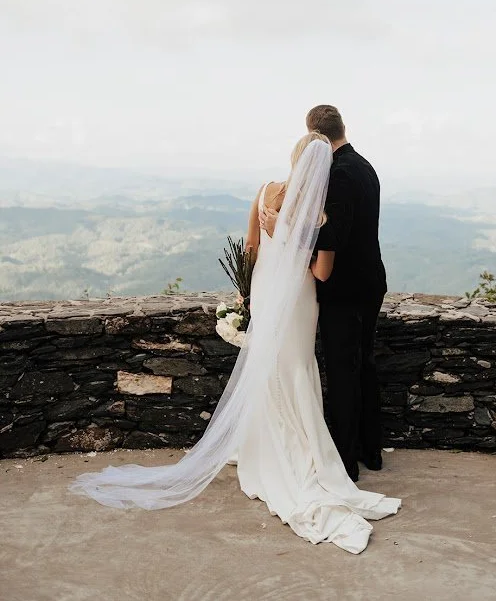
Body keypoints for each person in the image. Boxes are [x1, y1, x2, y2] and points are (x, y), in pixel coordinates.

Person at [70, 133, 400, 554]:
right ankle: (299, 455)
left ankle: (261, 446)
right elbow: (320, 274)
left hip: (264, 293)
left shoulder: (265, 191)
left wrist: (248, 291)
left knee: (269, 366)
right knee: (295, 367)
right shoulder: (314, 214)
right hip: (298, 301)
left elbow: (250, 247)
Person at [260, 107, 387, 482]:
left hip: (345, 290)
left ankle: (347, 460)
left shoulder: (340, 173)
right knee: (364, 364)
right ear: (342, 128)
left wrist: (281, 229)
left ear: (314, 134)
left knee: (344, 372)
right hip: (371, 283)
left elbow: (332, 237)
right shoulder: (365, 166)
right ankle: (371, 449)